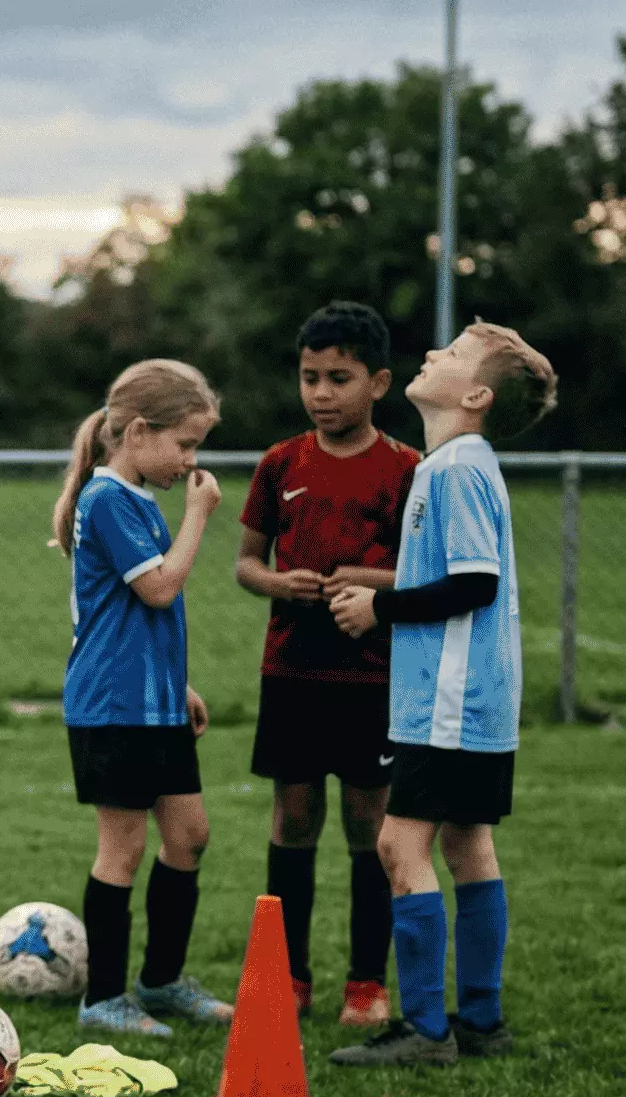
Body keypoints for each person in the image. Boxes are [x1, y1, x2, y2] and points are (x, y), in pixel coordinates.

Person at [328, 322, 557, 1067]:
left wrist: (379, 607)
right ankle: (482, 1021)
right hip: (476, 699)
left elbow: (472, 583)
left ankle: (426, 1031)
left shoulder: (455, 469)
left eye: (453, 354)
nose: (432, 354)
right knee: (466, 844)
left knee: (399, 844)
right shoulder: (461, 464)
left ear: (476, 395)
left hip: (451, 702)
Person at [234, 302, 421, 1026]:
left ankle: (365, 985)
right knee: (294, 817)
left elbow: (427, 573)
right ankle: (290, 978)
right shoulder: (281, 463)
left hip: (374, 675)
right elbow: (248, 564)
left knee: (369, 826)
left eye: (338, 378)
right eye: (309, 377)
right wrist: (280, 584)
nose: (320, 392)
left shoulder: (407, 468)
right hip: (292, 671)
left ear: (378, 383)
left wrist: (367, 582)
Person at [53, 360, 232, 1041]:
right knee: (122, 849)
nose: (191, 461)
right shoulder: (106, 500)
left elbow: (136, 615)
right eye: (185, 444)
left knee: (189, 837)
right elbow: (158, 589)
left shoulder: (136, 499)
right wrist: (198, 517)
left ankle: (161, 980)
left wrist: (175, 684)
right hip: (111, 706)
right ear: (137, 432)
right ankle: (103, 998)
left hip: (153, 704)